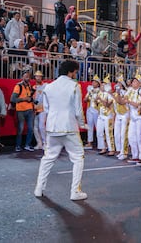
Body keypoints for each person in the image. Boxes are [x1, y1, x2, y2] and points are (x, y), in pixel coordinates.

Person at [34, 59, 88, 201]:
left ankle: (39, 188)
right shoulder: (74, 86)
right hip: (69, 126)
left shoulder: (49, 87)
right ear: (71, 72)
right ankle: (75, 191)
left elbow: (46, 108)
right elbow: (78, 110)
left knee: (48, 158)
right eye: (76, 72)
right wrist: (82, 124)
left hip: (52, 126)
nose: (76, 74)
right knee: (78, 158)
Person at [10, 70, 35, 152]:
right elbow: (13, 99)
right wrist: (24, 99)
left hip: (30, 109)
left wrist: (31, 99)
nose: (28, 77)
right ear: (22, 77)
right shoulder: (18, 86)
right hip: (20, 110)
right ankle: (18, 145)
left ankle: (27, 145)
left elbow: (29, 97)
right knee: (20, 129)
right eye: (26, 76)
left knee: (31, 128)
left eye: (28, 76)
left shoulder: (29, 86)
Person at [83, 74, 101, 150]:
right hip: (90, 110)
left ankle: (101, 143)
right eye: (92, 82)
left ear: (98, 83)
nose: (93, 83)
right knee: (89, 127)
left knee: (99, 127)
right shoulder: (90, 90)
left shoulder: (100, 91)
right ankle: (89, 142)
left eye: (95, 82)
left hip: (97, 110)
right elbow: (85, 100)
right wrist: (88, 97)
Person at [32, 70, 47, 150]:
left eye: (40, 76)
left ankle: (45, 143)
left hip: (43, 109)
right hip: (35, 110)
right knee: (35, 128)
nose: (38, 78)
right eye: (37, 76)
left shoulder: (45, 86)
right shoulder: (33, 88)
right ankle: (39, 143)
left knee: (41, 126)